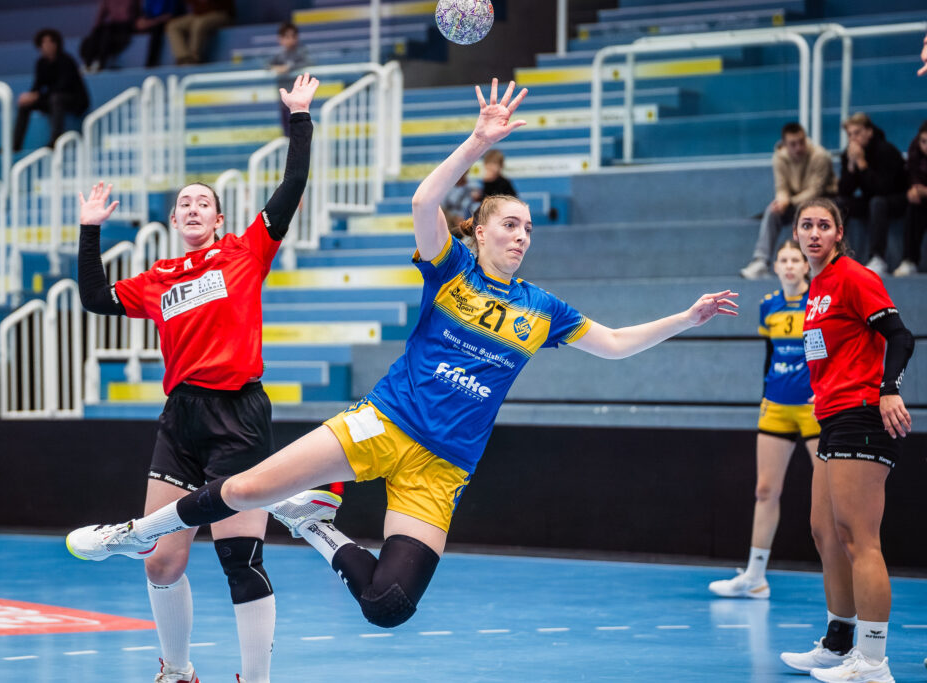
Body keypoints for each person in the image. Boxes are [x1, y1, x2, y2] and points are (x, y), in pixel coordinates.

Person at [66, 78, 739, 635]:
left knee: (388, 604)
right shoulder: (451, 269)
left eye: (529, 229)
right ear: (479, 232)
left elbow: (616, 345)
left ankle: (316, 527)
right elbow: (424, 198)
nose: (522, 236)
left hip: (442, 467)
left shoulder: (543, 310)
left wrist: (686, 317)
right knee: (243, 491)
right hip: (385, 421)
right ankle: (137, 531)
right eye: (511, 224)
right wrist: (479, 141)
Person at [69, 73, 318, 683]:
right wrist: (89, 228)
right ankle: (177, 671)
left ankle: (254, 679)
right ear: (175, 218)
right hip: (181, 419)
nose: (192, 208)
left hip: (238, 416)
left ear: (219, 216)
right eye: (184, 203)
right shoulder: (158, 278)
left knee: (239, 560)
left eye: (202, 202)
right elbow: (96, 298)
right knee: (160, 562)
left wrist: (300, 118)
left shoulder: (246, 251)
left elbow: (292, 185)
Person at [778, 197, 914, 683]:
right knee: (825, 532)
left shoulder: (855, 276)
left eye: (823, 225)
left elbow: (900, 336)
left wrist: (888, 389)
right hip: (832, 417)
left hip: (863, 413)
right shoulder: (816, 287)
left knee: (859, 537)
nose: (814, 233)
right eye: (806, 225)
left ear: (839, 233)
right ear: (796, 234)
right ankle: (838, 644)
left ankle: (873, 662)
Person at [710, 240, 819, 599]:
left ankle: (847, 576)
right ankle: (755, 577)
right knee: (765, 490)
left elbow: (828, 354)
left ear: (806, 265)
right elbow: (770, 354)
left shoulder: (817, 303)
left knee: (832, 495)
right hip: (776, 404)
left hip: (814, 408)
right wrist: (765, 394)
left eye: (795, 260)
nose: (789, 266)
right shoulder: (768, 305)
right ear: (775, 266)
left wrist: (825, 391)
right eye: (783, 259)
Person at [740, 123, 837, 280]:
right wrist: (782, 200)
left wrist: (789, 201)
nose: (798, 147)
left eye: (801, 142)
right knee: (772, 211)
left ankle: (812, 263)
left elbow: (815, 190)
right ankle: (760, 261)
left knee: (806, 214)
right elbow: (781, 187)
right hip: (795, 202)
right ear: (785, 145)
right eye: (793, 144)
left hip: (822, 201)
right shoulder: (779, 157)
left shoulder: (820, 156)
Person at [836, 113, 908, 276]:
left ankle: (878, 258)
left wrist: (862, 164)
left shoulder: (886, 150)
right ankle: (836, 256)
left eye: (857, 133)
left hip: (898, 198)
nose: (853, 138)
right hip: (871, 199)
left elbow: (884, 188)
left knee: (878, 202)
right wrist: (851, 166)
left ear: (869, 131)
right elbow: (844, 191)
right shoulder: (850, 154)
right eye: (849, 134)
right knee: (839, 203)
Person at [13, 29, 90, 151]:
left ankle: (55, 141)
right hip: (52, 99)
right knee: (25, 105)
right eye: (44, 43)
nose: (47, 45)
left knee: (56, 99)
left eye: (50, 42)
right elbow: (37, 85)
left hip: (75, 101)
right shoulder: (41, 63)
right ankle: (14, 146)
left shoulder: (66, 61)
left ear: (57, 44)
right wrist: (30, 96)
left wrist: (38, 96)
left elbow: (63, 86)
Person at [893, 120, 927, 277]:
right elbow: (911, 175)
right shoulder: (915, 150)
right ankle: (909, 260)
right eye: (923, 141)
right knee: (914, 207)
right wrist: (913, 189)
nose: (926, 146)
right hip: (922, 200)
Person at [268, 22, 310, 135]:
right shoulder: (278, 55)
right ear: (280, 39)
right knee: (287, 130)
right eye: (287, 37)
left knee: (300, 130)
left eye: (293, 36)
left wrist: (288, 68)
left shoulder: (302, 52)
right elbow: (266, 65)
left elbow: (307, 62)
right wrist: (276, 68)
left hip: (299, 100)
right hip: (284, 99)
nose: (290, 40)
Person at [165, 0, 233, 65]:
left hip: (220, 13)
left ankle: (194, 58)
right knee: (173, 25)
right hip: (198, 15)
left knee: (199, 23)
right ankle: (183, 58)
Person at [79, 0, 139, 72]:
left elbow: (137, 13)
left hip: (126, 26)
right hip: (113, 25)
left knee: (107, 35)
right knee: (98, 33)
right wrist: (97, 28)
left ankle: (100, 61)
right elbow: (101, 15)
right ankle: (88, 62)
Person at [137, 0, 182, 68]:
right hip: (152, 22)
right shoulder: (148, 1)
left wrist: (150, 23)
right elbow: (145, 13)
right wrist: (142, 21)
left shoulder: (170, 2)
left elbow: (169, 15)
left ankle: (151, 64)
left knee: (157, 30)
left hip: (165, 22)